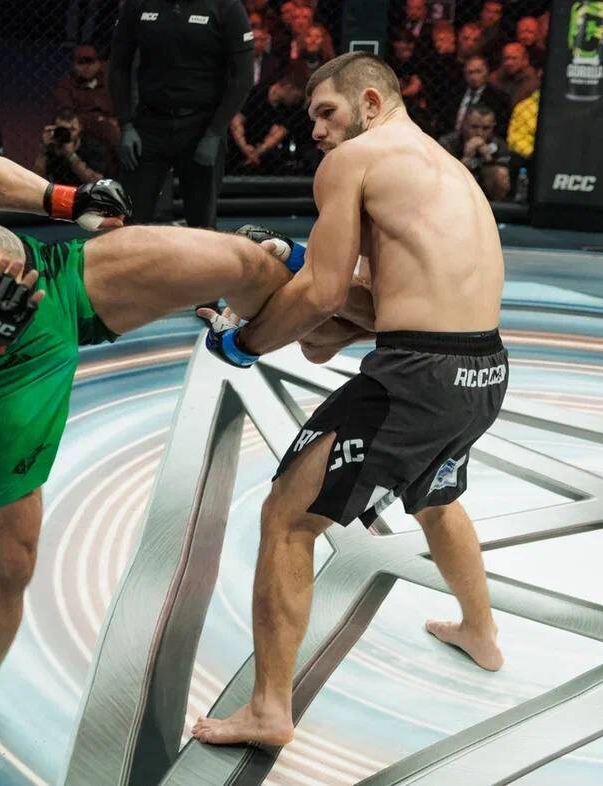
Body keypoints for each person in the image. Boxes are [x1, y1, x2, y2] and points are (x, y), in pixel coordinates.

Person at [0, 77, 366, 777]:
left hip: (57, 280)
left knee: (240, 260)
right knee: (12, 562)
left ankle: (325, 330)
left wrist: (63, 199)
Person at [191, 51, 506, 749]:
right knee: (434, 496)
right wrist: (299, 273)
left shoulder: (353, 161)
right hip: (482, 372)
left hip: (417, 379)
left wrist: (243, 343)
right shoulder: (444, 168)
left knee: (286, 519)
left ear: (368, 103)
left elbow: (325, 296)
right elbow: (372, 309)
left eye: (326, 113)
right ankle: (480, 632)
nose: (317, 132)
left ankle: (268, 710)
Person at [109, 0, 254, 228]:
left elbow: (243, 77)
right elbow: (118, 65)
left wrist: (215, 132)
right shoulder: (137, 4)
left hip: (202, 126)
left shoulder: (226, 6)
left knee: (202, 225)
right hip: (149, 124)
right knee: (130, 219)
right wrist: (125, 124)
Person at [52, 43, 119, 152]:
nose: (86, 67)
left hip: (115, 117)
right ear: (74, 65)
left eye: (90, 62)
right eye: (81, 63)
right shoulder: (66, 85)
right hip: (86, 123)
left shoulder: (109, 74)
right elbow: (66, 111)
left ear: (98, 63)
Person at [440, 104, 511, 200]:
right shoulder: (448, 143)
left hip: (488, 198)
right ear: (464, 125)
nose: (480, 133)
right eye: (474, 127)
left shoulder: (499, 145)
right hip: (454, 196)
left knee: (501, 173)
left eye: (486, 128)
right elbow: (444, 179)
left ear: (493, 127)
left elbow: (501, 190)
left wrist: (488, 159)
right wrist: (466, 158)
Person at [31, 108, 110, 185]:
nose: (67, 133)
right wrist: (44, 148)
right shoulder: (52, 147)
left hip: (84, 192)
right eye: (63, 129)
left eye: (72, 129)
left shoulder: (92, 147)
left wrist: (71, 156)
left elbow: (96, 182)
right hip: (58, 191)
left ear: (80, 128)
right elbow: (35, 180)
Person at [490, 42, 539, 108]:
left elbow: (516, 104)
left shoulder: (532, 81)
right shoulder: (496, 77)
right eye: (506, 58)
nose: (509, 63)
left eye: (514, 58)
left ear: (525, 60)